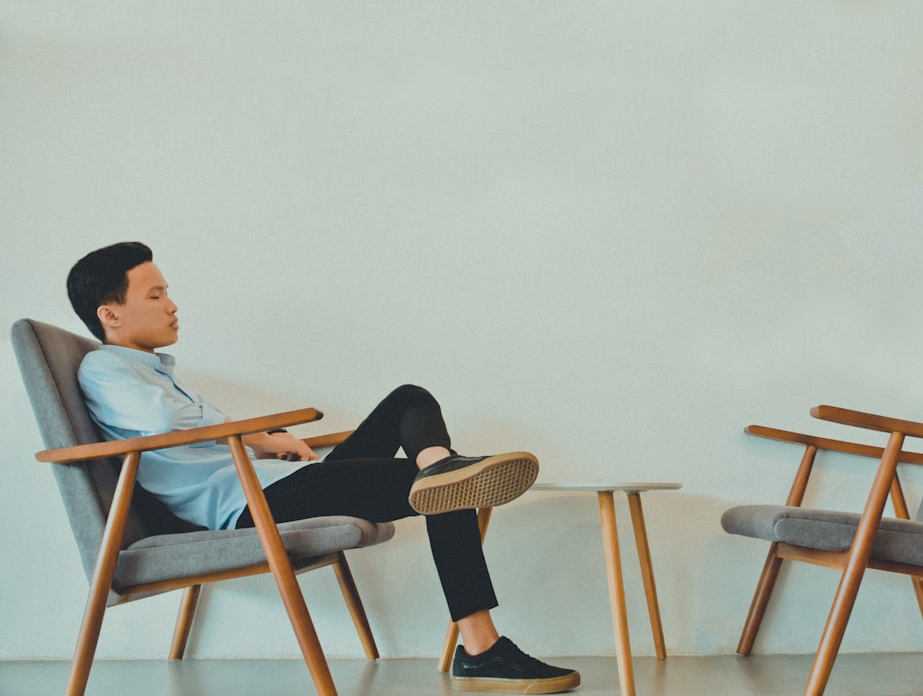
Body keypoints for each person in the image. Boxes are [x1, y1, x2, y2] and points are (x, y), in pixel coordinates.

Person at [66, 241, 580, 694]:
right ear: (110, 314)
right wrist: (263, 437)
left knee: (410, 401)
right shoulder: (104, 368)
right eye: (155, 296)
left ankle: (439, 462)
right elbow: (165, 423)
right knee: (446, 489)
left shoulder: (152, 373)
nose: (173, 306)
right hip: (249, 504)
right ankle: (481, 646)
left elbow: (183, 432)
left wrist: (262, 446)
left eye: (167, 292)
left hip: (276, 485)